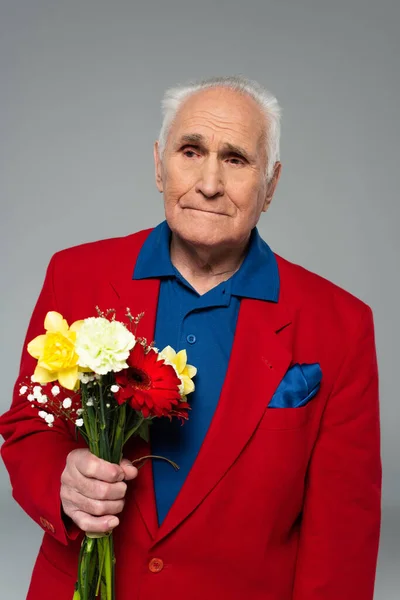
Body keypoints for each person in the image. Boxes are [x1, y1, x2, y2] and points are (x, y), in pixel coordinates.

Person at [0, 76, 381, 600]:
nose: (208, 183)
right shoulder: (76, 275)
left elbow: (343, 531)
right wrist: (61, 478)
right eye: (190, 150)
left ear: (270, 185)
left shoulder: (340, 323)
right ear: (159, 165)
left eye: (236, 159)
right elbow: (28, 426)